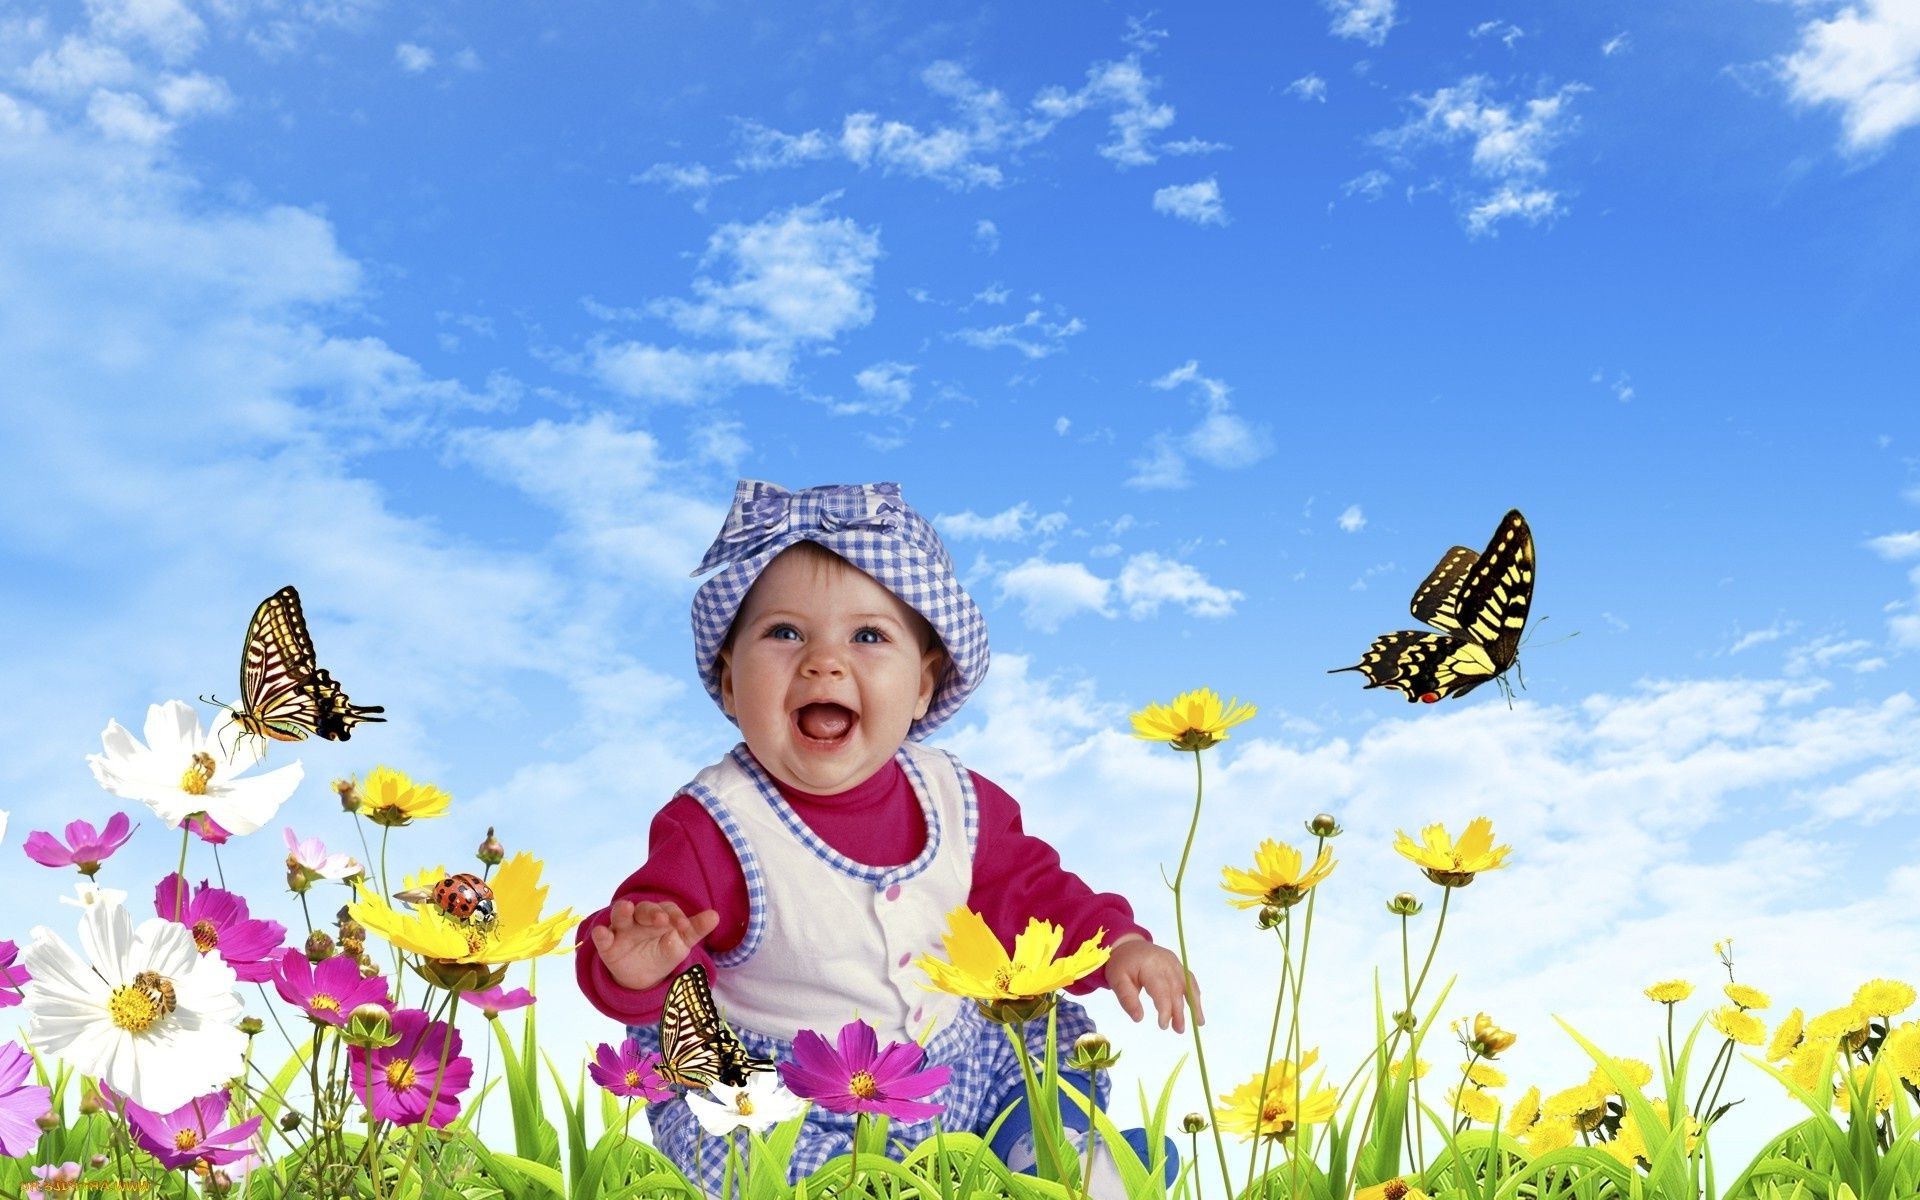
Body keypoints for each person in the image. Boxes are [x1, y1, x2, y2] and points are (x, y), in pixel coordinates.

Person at [575, 479, 1201, 1196]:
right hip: (791, 1097)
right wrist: (638, 965)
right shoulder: (715, 823)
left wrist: (1118, 944)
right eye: (784, 633)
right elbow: (654, 944)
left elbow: (1032, 895)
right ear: (726, 680)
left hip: (957, 1059)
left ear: (924, 686)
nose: (823, 661)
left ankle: (1058, 1159)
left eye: (868, 636)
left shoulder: (958, 801)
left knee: (1040, 1051)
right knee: (772, 1171)